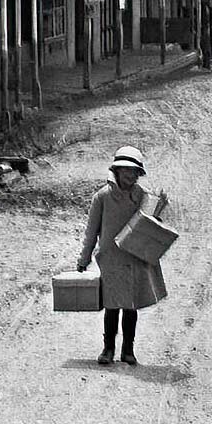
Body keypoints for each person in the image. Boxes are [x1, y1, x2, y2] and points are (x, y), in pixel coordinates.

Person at [77, 146, 168, 366]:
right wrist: (84, 258)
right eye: (126, 171)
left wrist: (159, 209)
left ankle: (128, 350)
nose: (130, 176)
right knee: (112, 305)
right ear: (116, 171)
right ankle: (108, 349)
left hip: (134, 256)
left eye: (134, 172)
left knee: (130, 306)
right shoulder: (102, 197)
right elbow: (91, 231)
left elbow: (150, 225)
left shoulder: (142, 196)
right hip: (111, 258)